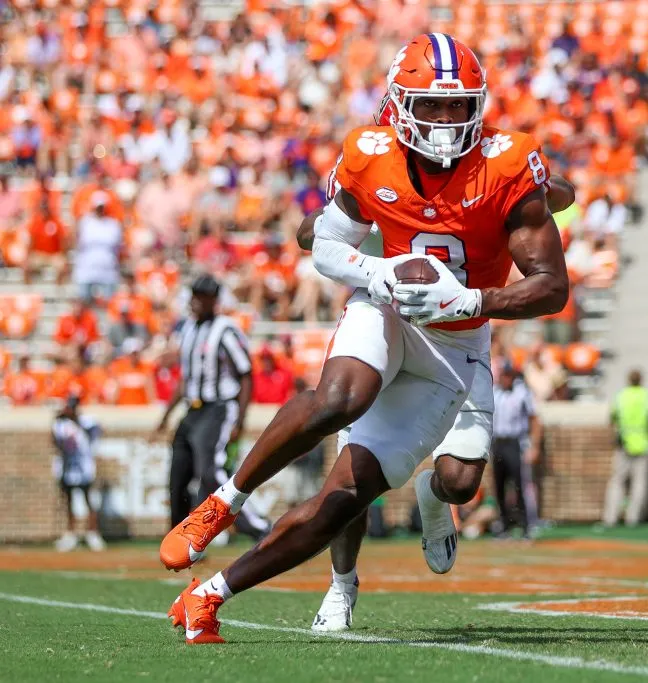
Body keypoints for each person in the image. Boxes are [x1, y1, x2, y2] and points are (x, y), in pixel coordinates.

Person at [161, 34, 571, 644]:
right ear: (399, 106)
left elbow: (553, 279)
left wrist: (474, 293)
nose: (446, 120)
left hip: (455, 346)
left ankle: (210, 594)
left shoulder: (506, 163)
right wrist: (374, 262)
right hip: (385, 306)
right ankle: (224, 502)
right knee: (339, 399)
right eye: (431, 105)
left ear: (478, 106)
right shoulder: (370, 153)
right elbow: (319, 236)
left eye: (459, 105)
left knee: (350, 496)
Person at [151, 274, 269, 546]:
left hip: (217, 410)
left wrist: (240, 419)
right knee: (178, 475)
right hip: (191, 411)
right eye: (194, 294)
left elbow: (246, 374)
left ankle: (260, 528)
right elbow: (185, 378)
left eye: (202, 296)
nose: (195, 301)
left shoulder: (226, 329)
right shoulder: (189, 329)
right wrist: (166, 416)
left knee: (212, 473)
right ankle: (179, 540)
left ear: (213, 300)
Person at [603, 369, 648, 527]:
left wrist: (614, 437)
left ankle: (610, 517)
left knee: (617, 481)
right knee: (640, 482)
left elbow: (612, 420)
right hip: (644, 443)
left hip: (623, 443)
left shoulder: (620, 396)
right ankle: (633, 518)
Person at [490, 361, 542, 538]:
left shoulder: (522, 393)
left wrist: (534, 446)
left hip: (514, 442)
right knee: (499, 485)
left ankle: (525, 524)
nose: (506, 379)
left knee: (520, 484)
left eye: (509, 375)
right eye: (504, 375)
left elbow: (534, 419)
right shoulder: (495, 393)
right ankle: (504, 524)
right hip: (498, 442)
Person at [51, 396, 105, 552]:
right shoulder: (61, 424)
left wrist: (75, 420)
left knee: (89, 499)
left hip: (84, 467)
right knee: (68, 501)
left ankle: (93, 533)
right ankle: (71, 534)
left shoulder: (86, 421)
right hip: (68, 467)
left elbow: (97, 431)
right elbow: (55, 443)